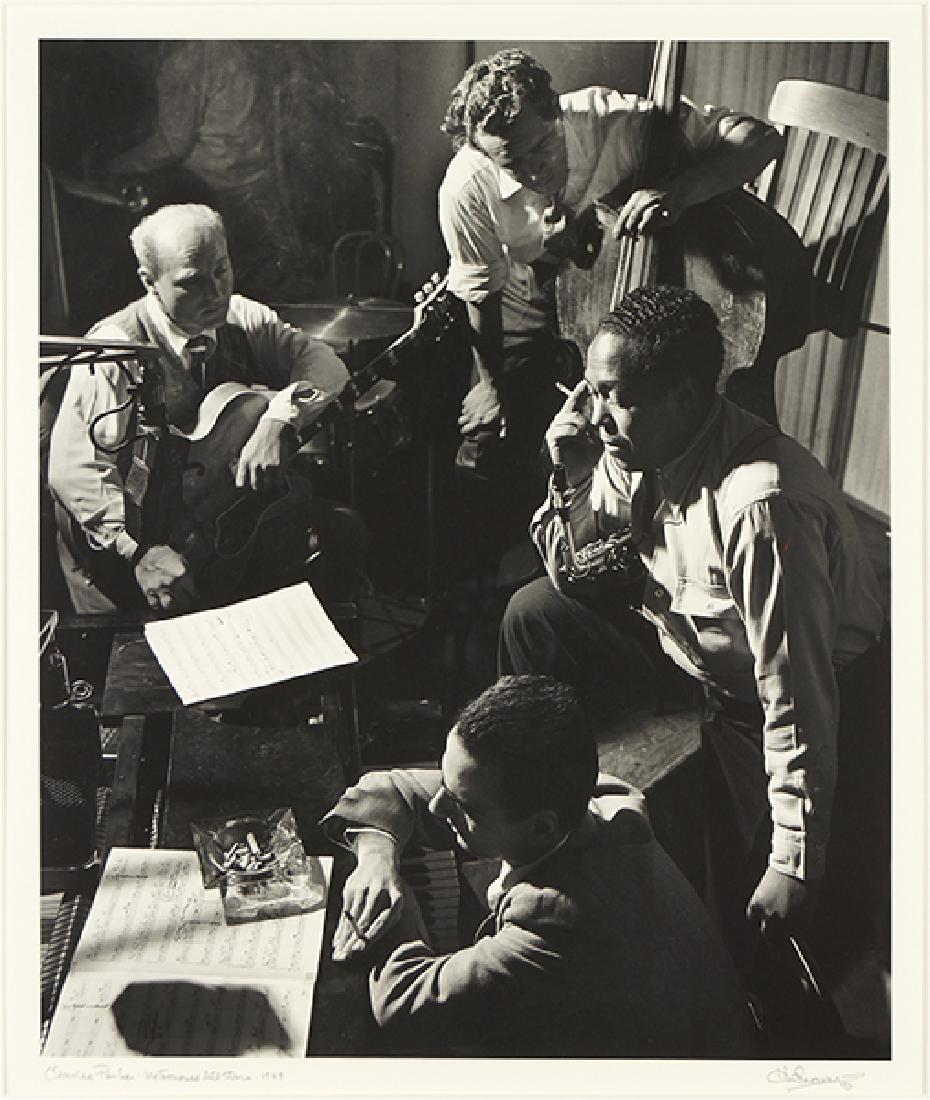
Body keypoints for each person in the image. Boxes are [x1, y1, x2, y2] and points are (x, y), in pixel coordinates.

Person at [499, 285, 889, 985]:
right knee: (535, 612)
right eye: (592, 391)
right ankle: (539, 812)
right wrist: (571, 472)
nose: (596, 416)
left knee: (748, 922)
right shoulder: (634, 443)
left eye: (615, 397)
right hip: (691, 651)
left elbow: (796, 693)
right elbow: (570, 573)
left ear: (683, 397)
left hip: (787, 699)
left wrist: (793, 862)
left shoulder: (762, 506)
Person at [437, 48, 785, 564]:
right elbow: (480, 292)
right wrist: (490, 384)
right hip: (534, 303)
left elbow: (762, 139)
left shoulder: (615, 119)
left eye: (542, 148)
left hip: (625, 290)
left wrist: (678, 192)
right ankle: (556, 552)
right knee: (494, 441)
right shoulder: (466, 188)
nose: (534, 172)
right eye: (513, 163)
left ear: (557, 112)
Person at [322, 674, 757, 1058]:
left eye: (464, 807)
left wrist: (392, 904)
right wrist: (377, 860)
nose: (436, 807)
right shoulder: (592, 801)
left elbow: (403, 1006)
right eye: (444, 782)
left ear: (542, 828)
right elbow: (391, 787)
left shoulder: (567, 921)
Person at [47, 202, 350, 615]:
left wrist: (280, 419)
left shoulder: (240, 317)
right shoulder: (117, 349)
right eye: (192, 282)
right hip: (121, 566)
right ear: (150, 281)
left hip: (203, 544)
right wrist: (136, 552)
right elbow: (72, 472)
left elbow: (325, 364)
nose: (216, 292)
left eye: (221, 270)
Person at [105, 41, 309, 298]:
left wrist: (117, 165)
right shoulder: (235, 48)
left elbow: (172, 145)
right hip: (258, 183)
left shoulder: (187, 59)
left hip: (219, 190)